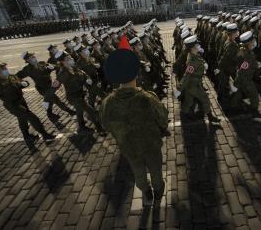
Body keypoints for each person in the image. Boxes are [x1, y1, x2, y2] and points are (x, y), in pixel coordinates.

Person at [99, 48, 169, 207]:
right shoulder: (147, 98)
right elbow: (163, 119)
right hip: (150, 143)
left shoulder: (107, 103)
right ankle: (158, 190)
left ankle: (146, 191)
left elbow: (104, 124)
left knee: (137, 170)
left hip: (128, 145)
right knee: (156, 169)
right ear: (136, 75)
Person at [0, 61, 55, 142]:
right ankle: (45, 135)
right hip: (12, 105)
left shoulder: (12, 76)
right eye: (2, 69)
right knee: (32, 117)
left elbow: (21, 82)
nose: (6, 69)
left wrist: (24, 83)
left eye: (5, 67)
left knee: (22, 119)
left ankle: (26, 136)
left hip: (21, 101)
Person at [53, 51, 103, 133]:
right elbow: (54, 87)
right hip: (73, 97)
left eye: (70, 57)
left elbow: (82, 73)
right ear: (63, 61)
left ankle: (81, 127)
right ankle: (99, 127)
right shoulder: (63, 74)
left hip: (80, 94)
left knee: (79, 111)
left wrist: (87, 78)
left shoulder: (74, 67)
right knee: (90, 110)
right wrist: (46, 99)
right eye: (68, 58)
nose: (71, 59)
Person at [174, 35, 220, 122]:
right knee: (205, 99)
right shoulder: (192, 61)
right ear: (192, 48)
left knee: (189, 100)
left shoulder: (193, 55)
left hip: (192, 84)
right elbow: (186, 76)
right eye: (196, 45)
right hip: (194, 84)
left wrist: (203, 62)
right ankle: (210, 117)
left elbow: (198, 59)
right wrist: (179, 89)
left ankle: (184, 113)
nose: (198, 46)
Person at [16, 51, 75, 120]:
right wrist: (22, 82)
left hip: (49, 85)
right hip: (42, 88)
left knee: (50, 101)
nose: (34, 58)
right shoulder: (27, 69)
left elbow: (55, 67)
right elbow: (17, 76)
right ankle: (70, 112)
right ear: (27, 60)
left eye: (34, 56)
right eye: (32, 57)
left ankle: (49, 114)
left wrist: (52, 67)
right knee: (56, 100)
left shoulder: (42, 63)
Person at [230, 31, 261, 117]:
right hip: (245, 79)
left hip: (243, 77)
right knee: (254, 95)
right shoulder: (248, 55)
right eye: (253, 40)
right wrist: (236, 84)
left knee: (238, 94)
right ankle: (254, 110)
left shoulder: (242, 49)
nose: (254, 41)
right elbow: (242, 70)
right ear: (249, 42)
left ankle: (232, 108)